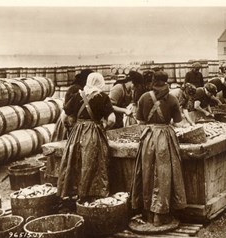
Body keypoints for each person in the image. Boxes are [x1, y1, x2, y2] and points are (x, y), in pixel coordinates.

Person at [130, 71, 187, 227]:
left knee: (147, 173)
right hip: (164, 139)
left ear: (153, 80)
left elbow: (140, 122)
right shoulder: (173, 98)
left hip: (148, 138)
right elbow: (177, 122)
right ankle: (160, 215)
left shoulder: (143, 97)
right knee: (164, 175)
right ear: (166, 81)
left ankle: (148, 213)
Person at [57, 73, 116, 206]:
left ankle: (72, 194)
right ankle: (91, 195)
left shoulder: (77, 95)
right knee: (93, 162)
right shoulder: (102, 97)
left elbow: (63, 117)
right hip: (93, 133)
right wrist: (104, 126)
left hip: (77, 132)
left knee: (74, 161)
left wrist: (70, 128)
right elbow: (112, 119)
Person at [51, 69, 93, 142]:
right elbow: (71, 107)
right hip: (68, 119)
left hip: (69, 117)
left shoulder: (78, 87)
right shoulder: (76, 89)